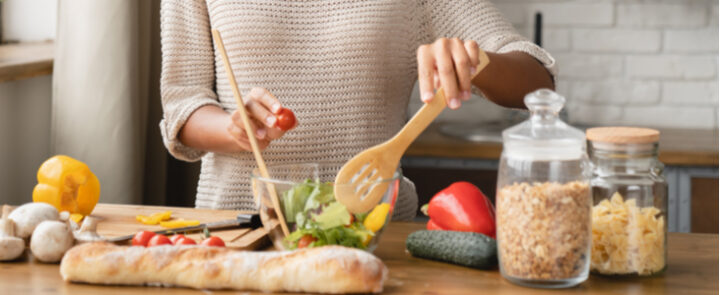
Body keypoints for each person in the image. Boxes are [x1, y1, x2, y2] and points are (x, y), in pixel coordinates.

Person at [159, 0, 555, 220]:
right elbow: (182, 108)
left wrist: (475, 60)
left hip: (376, 236)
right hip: (238, 229)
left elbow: (538, 80)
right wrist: (232, 128)